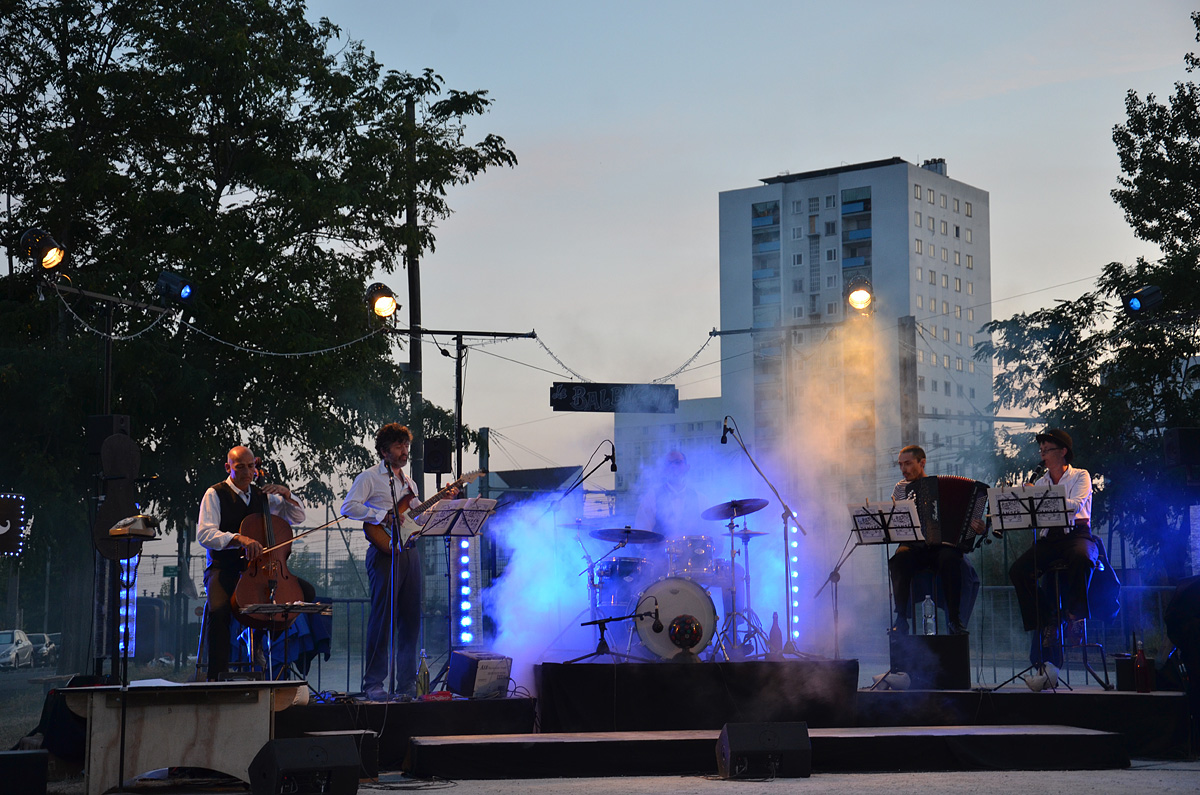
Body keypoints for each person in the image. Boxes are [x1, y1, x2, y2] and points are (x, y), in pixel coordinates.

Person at [342, 423, 453, 701]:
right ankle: (373, 684)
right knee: (382, 619)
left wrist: (443, 502)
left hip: (409, 551)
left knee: (410, 619)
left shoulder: (409, 483)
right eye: (398, 446)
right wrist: (381, 515)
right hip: (383, 552)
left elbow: (419, 519)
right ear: (384, 451)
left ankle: (405, 684)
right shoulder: (369, 478)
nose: (404, 451)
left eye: (406, 445)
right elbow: (348, 507)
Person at [197, 445, 307, 681]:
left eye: (251, 466)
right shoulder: (215, 494)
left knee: (303, 595)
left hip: (262, 571)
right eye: (241, 467)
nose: (248, 472)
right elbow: (205, 534)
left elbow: (297, 518)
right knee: (219, 611)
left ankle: (264, 649)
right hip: (224, 568)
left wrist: (287, 495)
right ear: (228, 467)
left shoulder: (263, 497)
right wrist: (238, 538)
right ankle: (216, 676)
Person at [1008, 429, 1098, 664]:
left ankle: (1076, 615)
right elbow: (1034, 516)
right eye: (1041, 450)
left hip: (1076, 533)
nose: (1042, 455)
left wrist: (1039, 497)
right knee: (1018, 570)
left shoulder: (1081, 476)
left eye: (1047, 450)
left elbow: (1076, 505)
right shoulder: (1041, 481)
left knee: (1083, 557)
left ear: (1063, 452)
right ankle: (1048, 621)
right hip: (1051, 538)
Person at [887, 444, 981, 636]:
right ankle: (901, 618)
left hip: (941, 547)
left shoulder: (938, 485)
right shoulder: (901, 489)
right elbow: (898, 522)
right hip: (916, 547)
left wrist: (978, 527)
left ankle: (955, 620)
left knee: (951, 559)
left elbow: (970, 517)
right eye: (900, 465)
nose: (903, 469)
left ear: (922, 463)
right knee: (898, 561)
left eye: (908, 463)